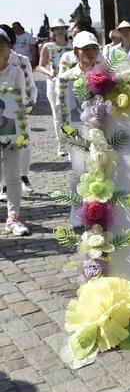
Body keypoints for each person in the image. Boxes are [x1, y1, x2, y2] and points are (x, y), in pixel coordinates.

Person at [55, 31, 104, 226]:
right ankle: (76, 213)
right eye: (86, 49)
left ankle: (100, 211)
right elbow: (62, 110)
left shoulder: (104, 74)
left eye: (94, 48)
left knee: (102, 169)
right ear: (77, 51)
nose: (90, 53)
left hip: (102, 129)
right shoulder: (67, 78)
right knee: (78, 171)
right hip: (76, 130)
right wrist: (67, 134)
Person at [0, 25, 37, 197]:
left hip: (19, 110)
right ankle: (4, 185)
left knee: (25, 145)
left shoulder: (22, 60)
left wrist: (30, 102)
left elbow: (29, 83)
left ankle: (23, 175)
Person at [0, 29, 30, 236]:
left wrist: (19, 132)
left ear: (9, 48)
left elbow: (22, 101)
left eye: (1, 45)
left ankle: (13, 218)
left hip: (11, 129)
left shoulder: (15, 72)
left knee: (12, 176)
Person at [37, 18, 73, 149]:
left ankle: (72, 143)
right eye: (57, 28)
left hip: (70, 83)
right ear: (53, 31)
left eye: (62, 28)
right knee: (57, 114)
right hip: (53, 83)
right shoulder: (48, 46)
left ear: (66, 29)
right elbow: (40, 66)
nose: (60, 30)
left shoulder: (73, 45)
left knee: (70, 113)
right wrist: (49, 73)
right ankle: (62, 145)